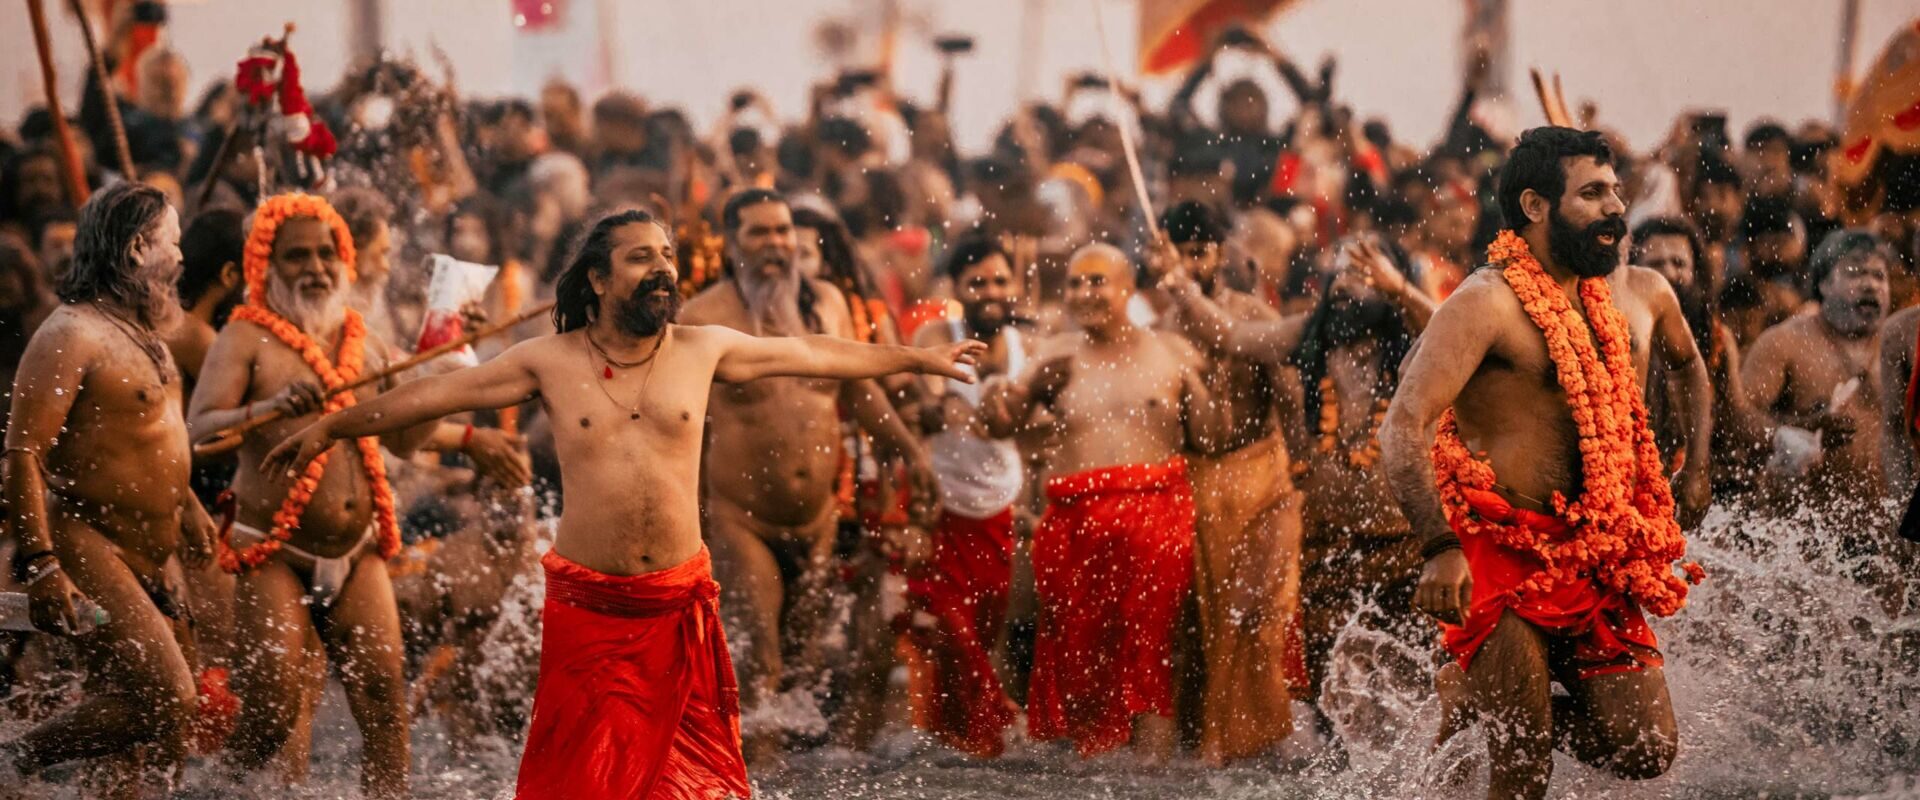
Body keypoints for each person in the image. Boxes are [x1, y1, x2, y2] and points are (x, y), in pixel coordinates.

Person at [261, 207, 983, 799]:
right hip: (590, 609)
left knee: (697, 785)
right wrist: (331, 426)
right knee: (582, 784)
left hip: (677, 603)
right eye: (641, 257)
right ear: (601, 279)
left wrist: (917, 360)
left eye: (666, 253)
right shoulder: (549, 360)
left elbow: (820, 353)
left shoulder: (704, 349)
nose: (662, 266)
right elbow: (430, 397)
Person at [1379, 127, 1707, 800]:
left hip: (1596, 551)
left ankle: (1479, 703)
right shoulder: (1483, 303)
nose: (1616, 207)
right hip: (1498, 552)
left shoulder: (1629, 293)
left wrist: (1695, 467)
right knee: (1522, 769)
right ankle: (1503, 710)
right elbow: (1401, 427)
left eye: (1616, 191)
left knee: (1645, 749)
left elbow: (1690, 365)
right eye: (1592, 193)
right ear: (1535, 205)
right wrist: (1439, 547)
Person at [186, 192, 439, 799]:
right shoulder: (245, 337)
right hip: (274, 549)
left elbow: (407, 440)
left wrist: (437, 369)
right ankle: (212, 793)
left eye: (327, 253)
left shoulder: (365, 339)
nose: (316, 268)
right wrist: (268, 408)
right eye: (297, 256)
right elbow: (198, 432)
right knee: (271, 713)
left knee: (385, 703)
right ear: (266, 267)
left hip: (359, 549)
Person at [679, 188, 934, 760]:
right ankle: (755, 781)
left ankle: (790, 781)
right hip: (741, 519)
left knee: (804, 667)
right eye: (758, 233)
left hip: (819, 518)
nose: (774, 244)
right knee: (760, 660)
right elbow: (678, 420)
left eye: (781, 231)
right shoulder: (701, 318)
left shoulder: (828, 302)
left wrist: (909, 450)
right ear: (732, 245)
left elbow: (857, 386)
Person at [1, 182, 217, 793]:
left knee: (155, 743)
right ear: (136, 250)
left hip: (155, 549)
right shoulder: (70, 332)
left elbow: (148, 433)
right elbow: (21, 454)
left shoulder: (144, 331)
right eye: (172, 243)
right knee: (169, 697)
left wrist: (191, 506)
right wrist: (41, 565)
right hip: (87, 544)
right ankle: (11, 762)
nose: (181, 258)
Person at [981, 243, 1227, 762]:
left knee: (1152, 650)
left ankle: (1152, 774)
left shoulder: (1171, 352)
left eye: (1096, 282)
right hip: (1074, 527)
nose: (1082, 294)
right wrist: (1009, 397)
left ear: (1126, 289)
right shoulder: (1054, 356)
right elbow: (1001, 426)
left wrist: (1212, 378)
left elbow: (1210, 438)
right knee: (1080, 657)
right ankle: (1096, 778)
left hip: (1156, 518)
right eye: (1073, 283)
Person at [1141, 201, 1302, 763]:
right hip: (1191, 486)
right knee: (1190, 630)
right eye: (1180, 254)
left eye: (1199, 252)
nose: (1190, 264)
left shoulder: (1251, 314)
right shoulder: (1155, 330)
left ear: (1218, 255)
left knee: (1258, 614)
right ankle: (1201, 751)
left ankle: (1262, 741)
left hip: (1263, 478)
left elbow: (1289, 395)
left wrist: (1304, 471)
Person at [904, 235, 1034, 757]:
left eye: (1000, 280)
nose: (991, 291)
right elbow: (925, 400)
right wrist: (941, 407)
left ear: (1016, 286)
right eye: (977, 282)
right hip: (942, 512)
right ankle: (997, 726)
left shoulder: (1031, 348)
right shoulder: (938, 334)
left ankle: (963, 750)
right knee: (952, 635)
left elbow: (1040, 427)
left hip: (1002, 509)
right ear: (956, 289)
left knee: (982, 638)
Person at [1742, 229, 1893, 521]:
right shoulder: (1785, 342)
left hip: (1887, 532)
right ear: (1824, 283)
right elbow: (1738, 418)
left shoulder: (1904, 347)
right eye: (1856, 273)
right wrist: (1795, 431)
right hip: (1804, 534)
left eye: (1879, 276)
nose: (1870, 285)